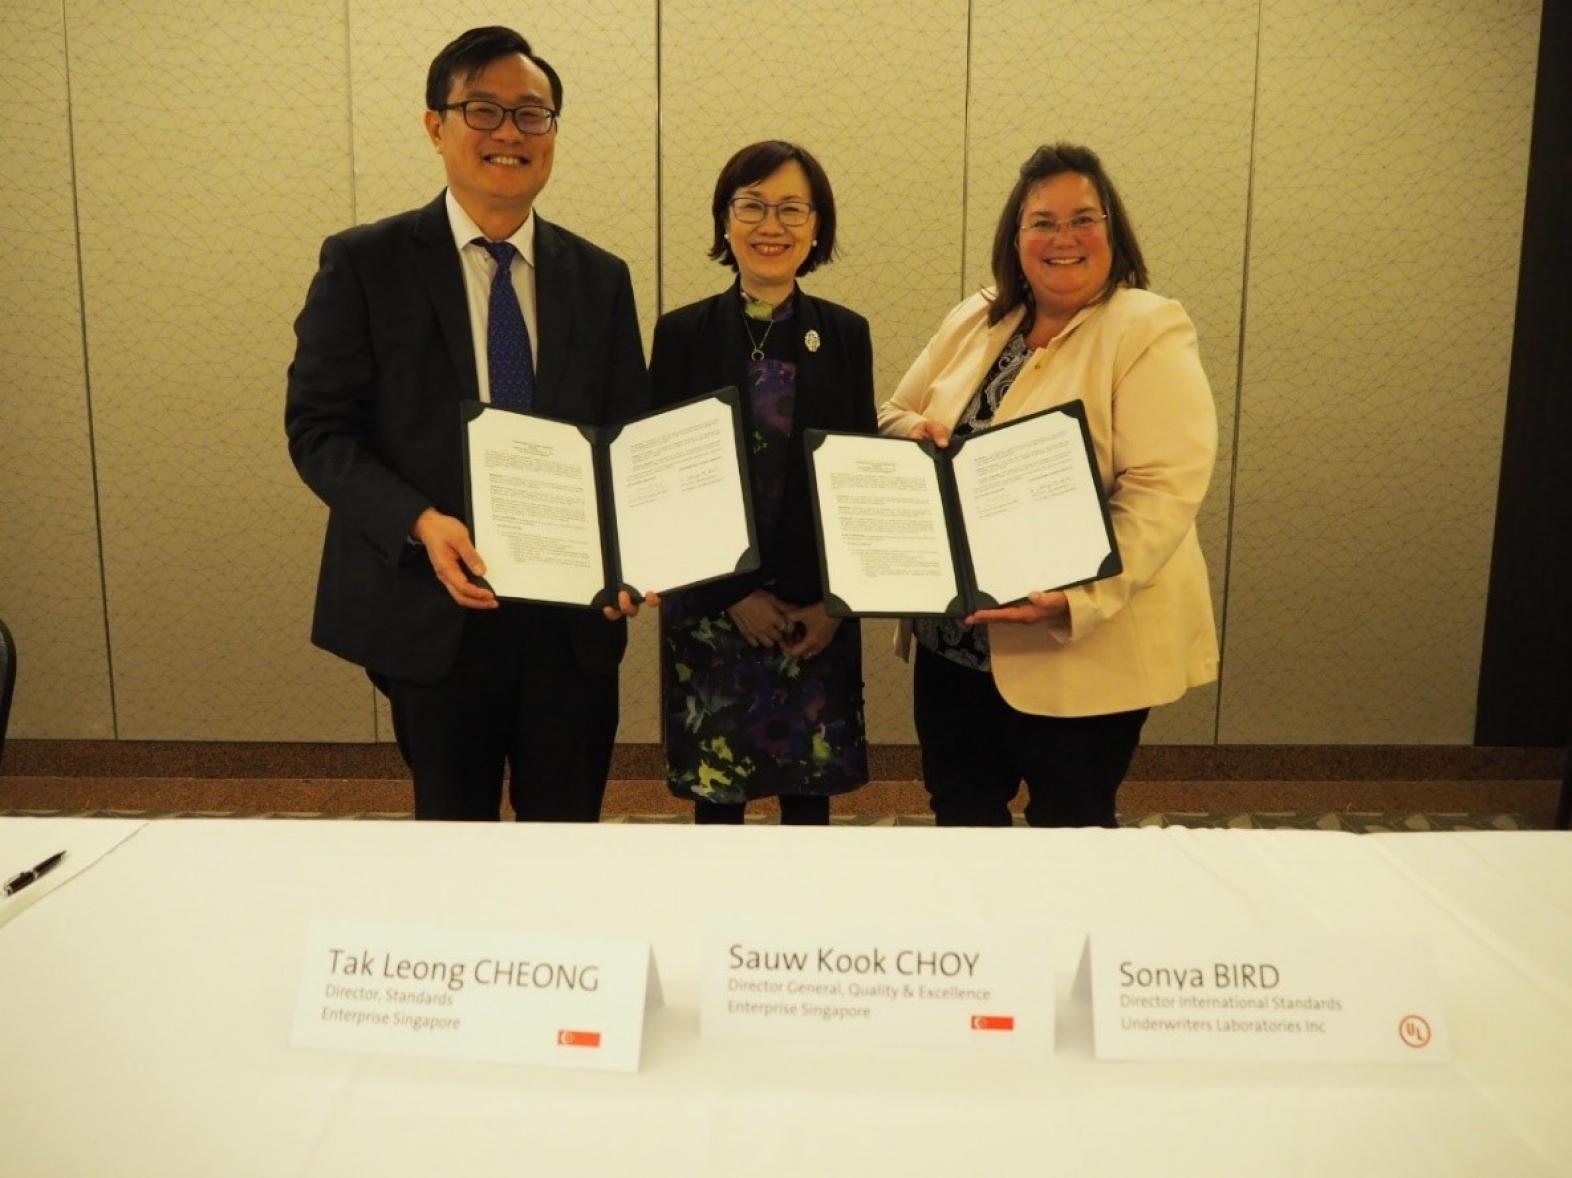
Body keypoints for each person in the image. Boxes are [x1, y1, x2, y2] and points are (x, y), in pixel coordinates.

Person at [285, 27, 649, 822]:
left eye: (533, 115)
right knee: (452, 838)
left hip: (571, 623)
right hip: (433, 610)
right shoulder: (366, 263)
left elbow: (627, 442)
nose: (510, 134)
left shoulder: (600, 278)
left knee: (568, 832)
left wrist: (637, 553)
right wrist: (419, 521)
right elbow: (319, 431)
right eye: (483, 110)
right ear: (435, 125)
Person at [877, 143, 1218, 828]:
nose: (1063, 238)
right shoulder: (979, 315)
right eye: (1042, 222)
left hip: (1081, 641)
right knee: (962, 813)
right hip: (954, 640)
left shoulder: (1147, 327)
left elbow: (1163, 489)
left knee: (1072, 828)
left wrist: (1077, 595)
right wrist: (914, 435)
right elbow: (891, 413)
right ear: (1016, 235)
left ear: (1112, 231)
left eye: (1082, 219)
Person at [650, 141, 874, 825]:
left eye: (791, 209)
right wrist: (733, 594)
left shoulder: (844, 334)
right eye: (751, 206)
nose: (770, 225)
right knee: (719, 819)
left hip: (816, 620)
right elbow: (660, 482)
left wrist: (834, 607)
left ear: (816, 227)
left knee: (808, 817)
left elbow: (858, 481)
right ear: (725, 220)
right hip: (714, 619)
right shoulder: (681, 333)